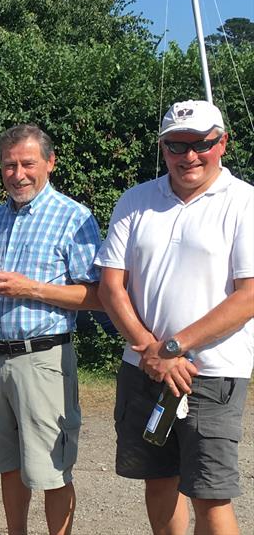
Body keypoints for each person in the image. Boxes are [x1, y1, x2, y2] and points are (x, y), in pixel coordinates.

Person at [96, 100, 254, 535]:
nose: (189, 156)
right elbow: (111, 286)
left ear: (223, 143)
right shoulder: (136, 200)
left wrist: (172, 347)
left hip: (210, 373)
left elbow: (248, 296)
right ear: (163, 147)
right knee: (159, 482)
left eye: (202, 144)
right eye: (176, 145)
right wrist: (150, 349)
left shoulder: (244, 202)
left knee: (210, 494)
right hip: (143, 368)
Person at [0, 124, 102, 535]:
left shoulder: (73, 217)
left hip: (43, 359)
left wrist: (33, 289)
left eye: (27, 163)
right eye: (9, 165)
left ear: (50, 163)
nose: (18, 173)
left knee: (51, 470)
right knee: (7, 464)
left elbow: (96, 295)